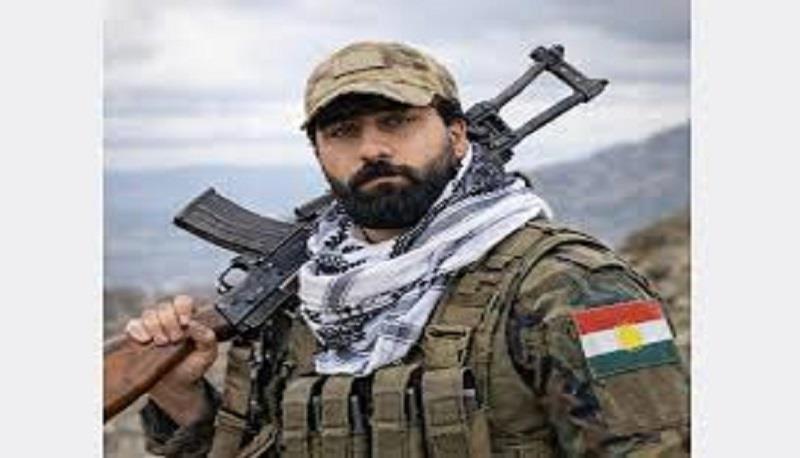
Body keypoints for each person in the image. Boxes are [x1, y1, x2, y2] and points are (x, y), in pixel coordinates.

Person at [124, 41, 689, 457]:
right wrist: (181, 397)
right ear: (319, 154)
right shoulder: (309, 300)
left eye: (397, 122)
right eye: (343, 132)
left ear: (457, 135)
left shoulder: (573, 284)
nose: (372, 148)